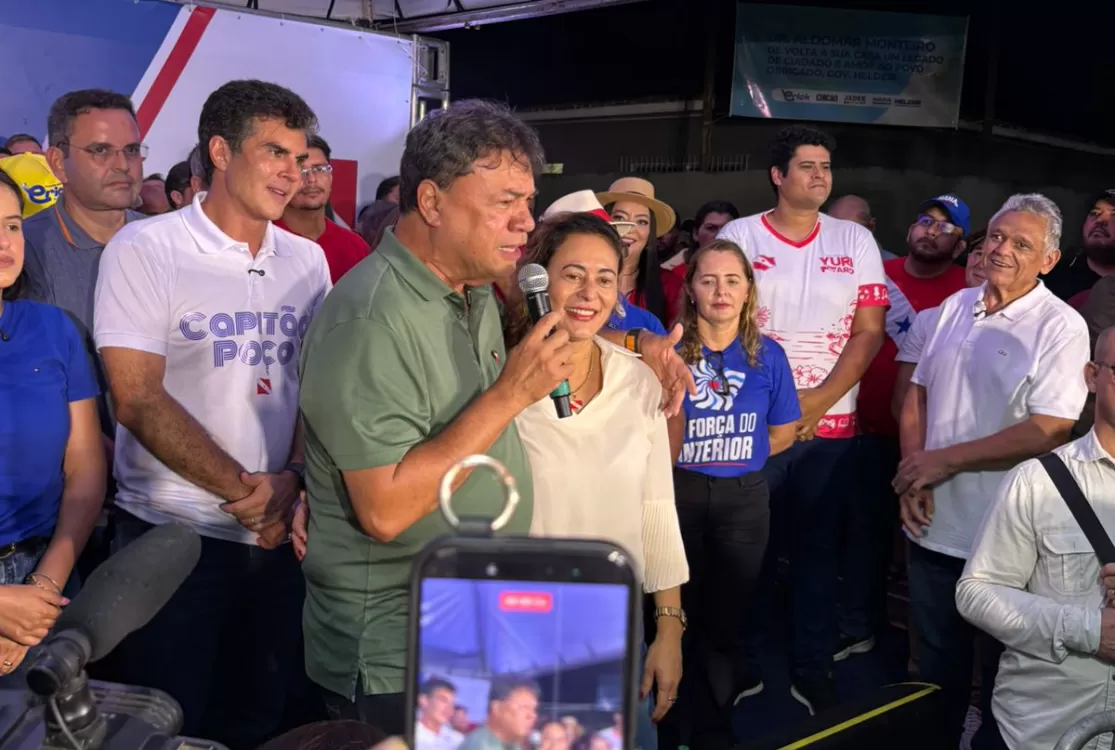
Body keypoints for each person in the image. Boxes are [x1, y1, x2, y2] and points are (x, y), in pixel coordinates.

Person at [296, 100, 695, 737]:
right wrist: (510, 395)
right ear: (432, 202)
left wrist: (638, 343)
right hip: (400, 657)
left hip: (478, 629)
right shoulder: (370, 321)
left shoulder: (472, 289)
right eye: (505, 202)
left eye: (528, 202)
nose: (525, 222)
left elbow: (574, 316)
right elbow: (385, 511)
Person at [94, 80, 330, 749]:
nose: (292, 173)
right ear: (221, 152)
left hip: (276, 544)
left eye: (300, 157)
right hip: (172, 540)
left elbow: (315, 383)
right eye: (275, 152)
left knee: (258, 722)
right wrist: (253, 497)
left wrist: (291, 477)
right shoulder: (145, 249)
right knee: (164, 727)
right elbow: (137, 398)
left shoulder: (307, 260)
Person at [896, 193, 1090, 747]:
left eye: (1021, 244)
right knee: (936, 664)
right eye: (998, 236)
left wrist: (940, 461)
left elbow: (1049, 428)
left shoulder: (1061, 326)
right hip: (934, 520)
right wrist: (914, 471)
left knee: (1009, 670)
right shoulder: (955, 306)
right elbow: (917, 395)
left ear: (1048, 261)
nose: (1002, 249)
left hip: (1012, 535)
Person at [717, 124, 887, 712]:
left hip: (830, 430)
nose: (820, 176)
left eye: (825, 167)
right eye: (807, 166)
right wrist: (783, 412)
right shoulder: (741, 236)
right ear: (778, 175)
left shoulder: (854, 240)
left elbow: (868, 332)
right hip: (756, 429)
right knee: (751, 553)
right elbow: (726, 325)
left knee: (817, 555)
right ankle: (748, 664)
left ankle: (813, 668)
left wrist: (814, 403)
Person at [508, 213, 688, 746]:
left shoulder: (638, 380)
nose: (590, 292)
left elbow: (656, 507)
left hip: (615, 627)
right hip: (519, 627)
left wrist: (669, 627)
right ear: (539, 279)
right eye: (573, 275)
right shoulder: (502, 377)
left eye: (605, 278)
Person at [661, 239, 797, 748]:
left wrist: (736, 455)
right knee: (672, 619)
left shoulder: (769, 355)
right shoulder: (667, 352)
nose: (720, 291)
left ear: (747, 291)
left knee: (726, 623)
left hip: (743, 500)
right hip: (679, 495)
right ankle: (667, 724)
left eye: (732, 280)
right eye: (709, 280)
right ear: (690, 290)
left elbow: (782, 431)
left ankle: (713, 729)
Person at [957, 324, 1115, 749]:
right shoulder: (1036, 481)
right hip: (1040, 731)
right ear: (1092, 376)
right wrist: (1088, 629)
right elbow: (976, 592)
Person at [839, 195, 970, 661]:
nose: (931, 230)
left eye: (945, 227)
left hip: (930, 447)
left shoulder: (965, 291)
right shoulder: (878, 275)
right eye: (925, 220)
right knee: (863, 535)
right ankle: (858, 627)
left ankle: (922, 653)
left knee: (922, 545)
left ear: (960, 246)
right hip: (866, 431)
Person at [0, 170, 104, 679]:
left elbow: (84, 467)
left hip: (49, 577)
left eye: (12, 226)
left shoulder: (53, 328)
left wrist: (44, 589)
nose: (5, 243)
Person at [277, 134, 370, 282]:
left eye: (319, 169)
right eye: (301, 170)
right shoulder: (261, 242)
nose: (312, 180)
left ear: (331, 177)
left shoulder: (356, 247)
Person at [597, 178, 683, 328]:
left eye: (642, 221)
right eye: (619, 217)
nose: (629, 228)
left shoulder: (669, 285)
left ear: (650, 231)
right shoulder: (581, 277)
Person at [459, 677, 539, 750]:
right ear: (496, 708)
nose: (532, 715)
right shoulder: (479, 745)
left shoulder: (511, 743)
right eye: (524, 707)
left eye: (534, 709)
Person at [415, 677, 464, 750]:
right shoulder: (410, 736)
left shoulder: (458, 740)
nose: (449, 708)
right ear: (424, 700)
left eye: (452, 704)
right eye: (443, 700)